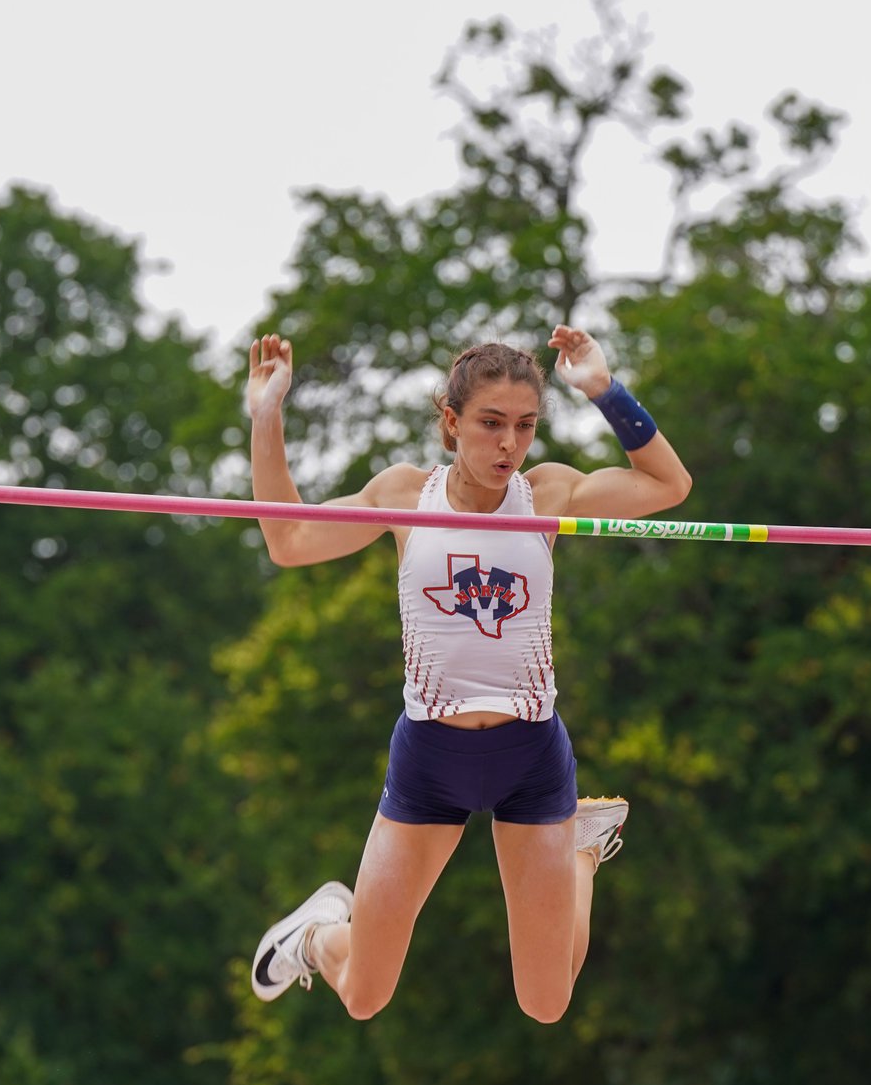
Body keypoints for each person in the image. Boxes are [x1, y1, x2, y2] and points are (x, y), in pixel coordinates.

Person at [245, 323, 691, 1023]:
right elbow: (288, 539)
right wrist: (267, 415)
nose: (508, 445)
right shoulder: (404, 497)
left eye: (524, 426)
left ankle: (580, 849)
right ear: (452, 423)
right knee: (365, 997)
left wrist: (605, 389)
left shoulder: (546, 497)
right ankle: (318, 932)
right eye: (490, 424)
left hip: (531, 759)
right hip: (430, 762)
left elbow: (669, 484)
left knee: (546, 1004)